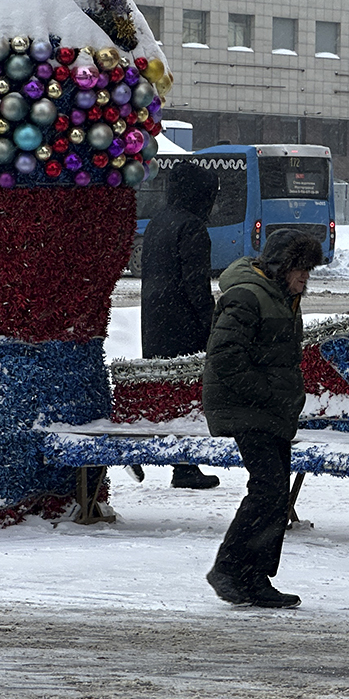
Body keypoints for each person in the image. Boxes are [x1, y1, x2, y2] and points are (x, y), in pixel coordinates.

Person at [202, 229, 324, 609]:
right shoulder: (247, 296)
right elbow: (224, 357)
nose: (304, 277)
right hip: (246, 408)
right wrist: (267, 394)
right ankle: (230, 568)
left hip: (269, 410)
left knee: (274, 494)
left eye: (308, 269)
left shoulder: (283, 298)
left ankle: (253, 576)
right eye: (298, 269)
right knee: (268, 490)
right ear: (278, 267)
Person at [138, 163, 221, 490]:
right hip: (183, 321)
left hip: (155, 318)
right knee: (188, 393)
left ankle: (172, 459)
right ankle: (185, 467)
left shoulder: (159, 221)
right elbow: (196, 284)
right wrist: (210, 322)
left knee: (164, 389)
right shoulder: (192, 227)